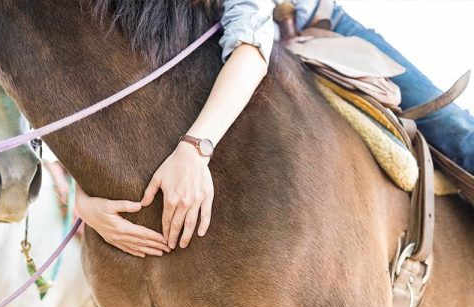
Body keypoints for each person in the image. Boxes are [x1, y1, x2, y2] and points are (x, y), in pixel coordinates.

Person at [75, 0, 474, 258]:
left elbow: (250, 47)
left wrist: (195, 148)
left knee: (451, 126)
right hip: (212, 42)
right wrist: (81, 199)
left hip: (315, 21)